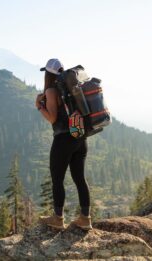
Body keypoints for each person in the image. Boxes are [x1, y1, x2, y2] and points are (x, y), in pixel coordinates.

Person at [35, 58, 92, 230]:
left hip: (63, 140)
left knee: (57, 179)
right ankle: (85, 219)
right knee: (80, 178)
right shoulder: (69, 87)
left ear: (47, 74)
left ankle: (58, 219)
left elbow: (52, 118)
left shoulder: (52, 91)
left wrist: (39, 106)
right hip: (80, 136)